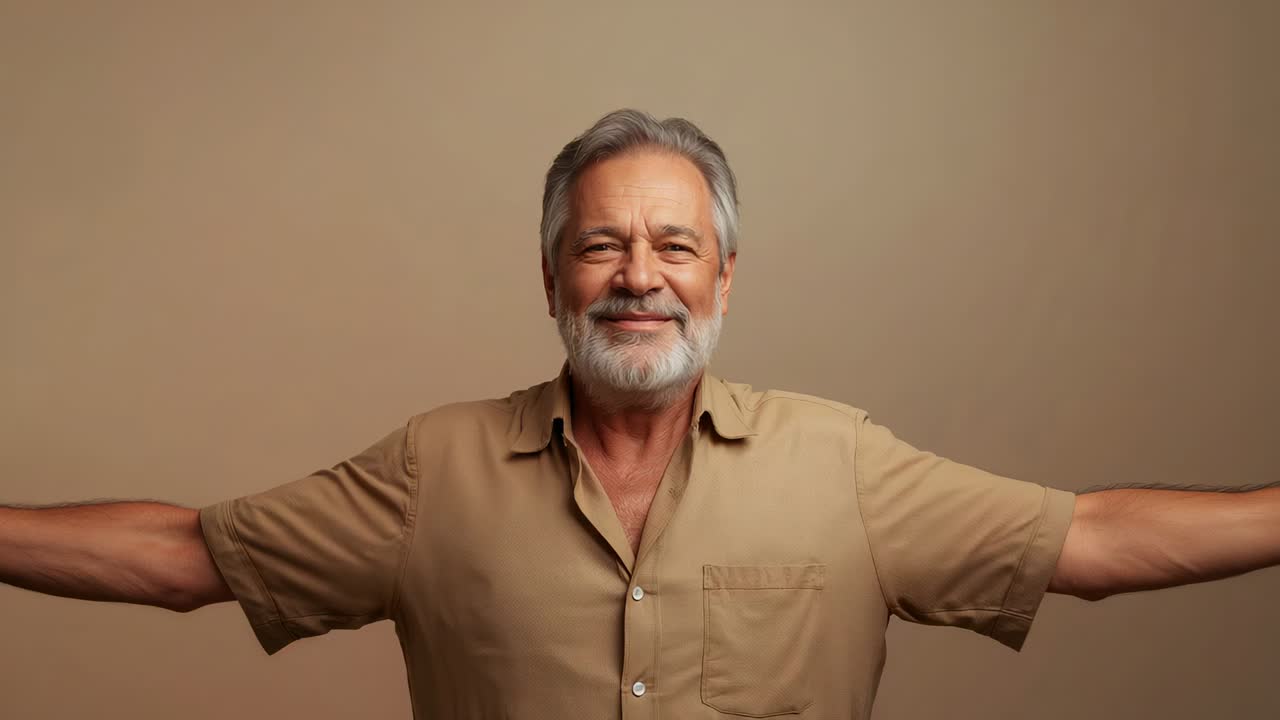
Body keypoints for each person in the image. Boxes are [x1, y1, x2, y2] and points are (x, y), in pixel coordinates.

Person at [2, 109, 1277, 720]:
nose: (636, 276)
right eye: (600, 245)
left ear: (724, 277)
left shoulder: (840, 461)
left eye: (675, 245)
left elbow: (1093, 543)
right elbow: (185, 560)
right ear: (551, 275)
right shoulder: (432, 467)